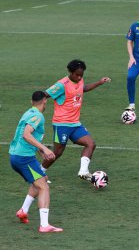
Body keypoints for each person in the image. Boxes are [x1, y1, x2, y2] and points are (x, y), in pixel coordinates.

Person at [41, 59, 111, 181]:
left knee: (90, 144)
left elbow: (83, 88)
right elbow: (44, 95)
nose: (79, 78)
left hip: (75, 124)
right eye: (77, 75)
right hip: (61, 124)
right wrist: (39, 111)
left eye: (81, 75)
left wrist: (99, 82)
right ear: (70, 72)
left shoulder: (80, 81)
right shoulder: (61, 85)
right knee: (57, 153)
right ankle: (39, 173)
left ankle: (83, 171)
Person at [9, 91, 63, 233]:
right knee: (44, 187)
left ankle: (23, 210)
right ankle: (44, 225)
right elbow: (26, 134)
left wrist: (39, 151)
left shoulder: (28, 112)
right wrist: (44, 149)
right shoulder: (37, 116)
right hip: (23, 158)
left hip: (17, 156)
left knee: (41, 179)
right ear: (45, 102)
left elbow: (26, 136)